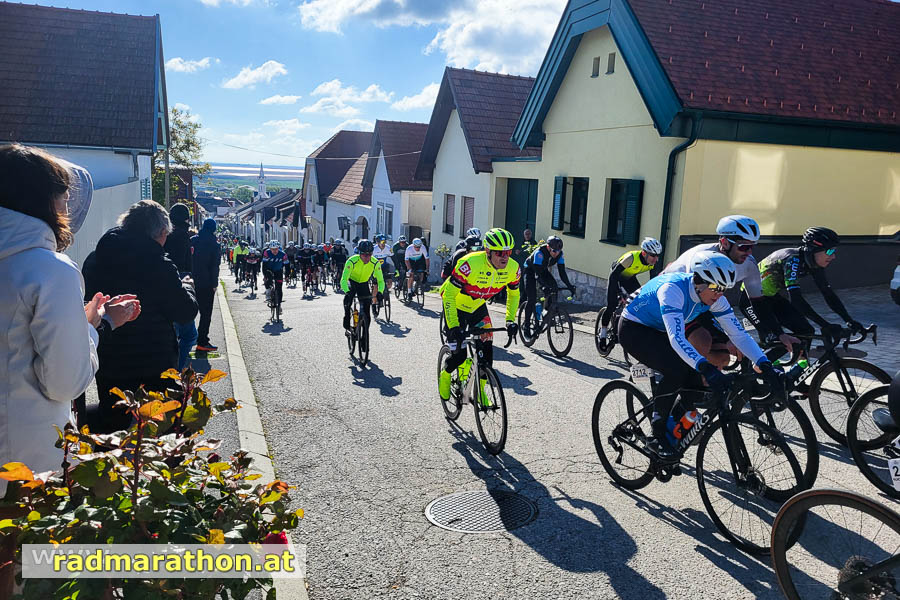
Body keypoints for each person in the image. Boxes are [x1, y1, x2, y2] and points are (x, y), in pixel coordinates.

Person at [0, 144, 141, 499]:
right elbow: (64, 382)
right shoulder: (50, 271)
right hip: (26, 462)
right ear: (42, 201)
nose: (65, 208)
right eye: (62, 197)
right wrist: (90, 330)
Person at [619, 250, 783, 459]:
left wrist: (765, 364)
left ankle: (676, 423)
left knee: (697, 382)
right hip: (634, 327)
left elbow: (739, 335)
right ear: (699, 282)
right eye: (715, 288)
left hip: (657, 328)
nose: (719, 294)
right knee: (676, 369)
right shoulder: (673, 291)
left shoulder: (715, 298)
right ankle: (657, 436)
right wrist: (704, 365)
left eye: (723, 289)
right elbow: (676, 338)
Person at [83, 200, 198, 433]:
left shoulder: (95, 259)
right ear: (161, 233)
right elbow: (185, 311)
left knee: (113, 425)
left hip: (110, 359)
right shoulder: (159, 265)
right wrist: (188, 286)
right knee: (159, 429)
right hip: (154, 364)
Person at [664, 215, 800, 367]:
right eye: (743, 247)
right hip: (674, 300)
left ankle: (704, 387)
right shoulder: (701, 258)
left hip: (702, 303)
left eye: (752, 246)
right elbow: (697, 304)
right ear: (724, 242)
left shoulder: (748, 264)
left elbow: (758, 303)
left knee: (722, 359)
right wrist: (726, 338)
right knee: (703, 342)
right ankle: (680, 379)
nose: (749, 252)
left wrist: (779, 333)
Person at [438, 228, 521, 406]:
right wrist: (453, 326)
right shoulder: (470, 263)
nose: (505, 257)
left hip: (477, 306)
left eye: (508, 252)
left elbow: (514, 295)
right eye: (500, 253)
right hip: (456, 305)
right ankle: (445, 374)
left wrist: (510, 320)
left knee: (487, 356)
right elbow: (449, 295)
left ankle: (480, 391)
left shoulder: (513, 268)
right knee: (459, 356)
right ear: (488, 251)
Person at [756, 226, 862, 342]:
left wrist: (849, 320)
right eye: (829, 251)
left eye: (834, 251)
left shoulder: (813, 262)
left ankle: (802, 360)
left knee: (806, 332)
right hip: (752, 300)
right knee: (779, 340)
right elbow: (796, 300)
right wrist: (824, 325)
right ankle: (762, 360)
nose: (833, 256)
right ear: (813, 249)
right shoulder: (792, 260)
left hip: (771, 297)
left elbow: (828, 293)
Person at [598, 237, 661, 344]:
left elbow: (653, 282)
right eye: (653, 255)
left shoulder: (653, 263)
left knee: (639, 300)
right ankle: (603, 332)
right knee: (612, 305)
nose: (656, 259)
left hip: (629, 278)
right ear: (644, 253)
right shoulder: (631, 258)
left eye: (657, 256)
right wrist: (619, 293)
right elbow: (614, 276)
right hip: (616, 277)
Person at [164, 203, 199, 369]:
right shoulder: (182, 235)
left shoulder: (165, 233)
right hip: (179, 284)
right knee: (190, 335)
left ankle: (173, 367)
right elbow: (185, 263)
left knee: (177, 332)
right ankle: (175, 368)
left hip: (167, 283)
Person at [521, 235, 575, 337]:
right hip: (530, 270)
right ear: (548, 247)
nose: (556, 253)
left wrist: (570, 286)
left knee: (554, 287)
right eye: (554, 251)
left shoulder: (559, 254)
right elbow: (537, 275)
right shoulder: (539, 253)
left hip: (542, 270)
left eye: (558, 251)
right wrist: (544, 286)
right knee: (531, 298)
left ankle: (547, 312)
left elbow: (562, 273)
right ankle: (527, 325)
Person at [340, 239, 384, 331]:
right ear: (359, 253)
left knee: (367, 312)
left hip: (363, 283)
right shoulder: (352, 261)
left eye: (369, 255)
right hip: (352, 282)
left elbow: (380, 280)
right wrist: (347, 291)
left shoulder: (375, 262)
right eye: (364, 255)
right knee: (348, 300)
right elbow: (344, 279)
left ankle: (365, 336)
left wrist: (380, 292)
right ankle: (347, 318)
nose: (367, 257)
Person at [191, 218, 221, 353]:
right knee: (205, 313)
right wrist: (214, 283)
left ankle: (183, 339)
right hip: (206, 283)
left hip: (190, 281)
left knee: (188, 311)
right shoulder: (214, 244)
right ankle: (202, 342)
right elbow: (215, 266)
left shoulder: (193, 240)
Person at [262, 240, 289, 306]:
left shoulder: (283, 254)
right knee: (268, 279)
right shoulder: (266, 253)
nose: (274, 251)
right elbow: (264, 265)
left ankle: (279, 304)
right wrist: (265, 275)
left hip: (278, 270)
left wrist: (287, 275)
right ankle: (268, 292)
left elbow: (287, 265)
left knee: (279, 288)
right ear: (270, 249)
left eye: (276, 249)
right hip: (269, 269)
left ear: (278, 248)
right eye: (272, 249)